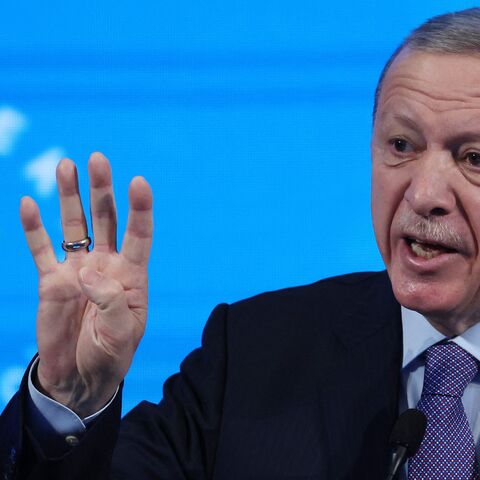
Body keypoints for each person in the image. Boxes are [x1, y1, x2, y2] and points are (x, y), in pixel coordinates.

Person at [3, 7, 480, 479]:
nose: (423, 195)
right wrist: (70, 399)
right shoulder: (253, 352)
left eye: (473, 157)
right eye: (401, 145)